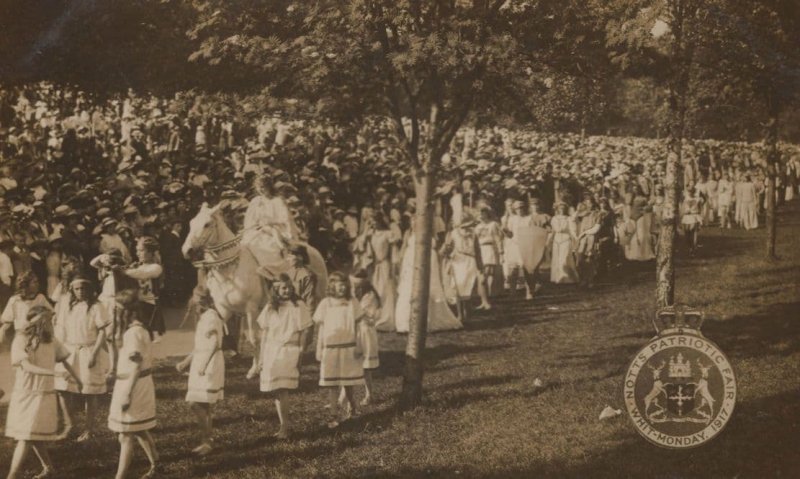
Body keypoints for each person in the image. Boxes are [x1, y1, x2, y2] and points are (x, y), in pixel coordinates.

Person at [5, 306, 81, 479]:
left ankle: (13, 476)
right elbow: (26, 366)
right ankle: (44, 470)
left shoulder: (52, 341)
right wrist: (54, 373)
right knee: (29, 434)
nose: (51, 324)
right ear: (38, 321)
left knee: (29, 435)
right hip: (25, 393)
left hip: (43, 394)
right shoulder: (21, 340)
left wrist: (78, 379)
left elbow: (64, 360)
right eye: (47, 320)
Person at [108, 287, 159, 479]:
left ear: (125, 311)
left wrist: (127, 394)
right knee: (137, 429)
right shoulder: (132, 331)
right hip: (130, 383)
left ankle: (119, 477)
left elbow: (136, 366)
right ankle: (156, 462)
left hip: (134, 385)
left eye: (116, 310)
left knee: (126, 434)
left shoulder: (134, 333)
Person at [53, 275, 110, 442]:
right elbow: (61, 328)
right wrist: (59, 351)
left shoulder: (96, 306)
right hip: (70, 350)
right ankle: (69, 425)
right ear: (72, 290)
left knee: (89, 391)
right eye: (77, 289)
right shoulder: (68, 306)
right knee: (62, 388)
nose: (80, 292)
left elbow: (102, 332)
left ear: (90, 290)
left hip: (88, 350)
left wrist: (94, 353)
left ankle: (89, 429)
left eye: (84, 288)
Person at [256, 274, 312, 439]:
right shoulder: (271, 307)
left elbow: (304, 331)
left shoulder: (298, 305)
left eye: (289, 287)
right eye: (283, 288)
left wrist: (301, 351)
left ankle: (285, 428)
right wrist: (260, 358)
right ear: (276, 289)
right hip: (271, 351)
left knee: (281, 389)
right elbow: (264, 333)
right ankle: (284, 425)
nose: (287, 291)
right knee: (276, 390)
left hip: (289, 350)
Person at [175, 287, 225, 455]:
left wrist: (203, 365)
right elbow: (199, 347)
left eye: (199, 301)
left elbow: (214, 344)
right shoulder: (204, 317)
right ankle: (207, 441)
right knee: (204, 404)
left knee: (196, 403)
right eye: (195, 301)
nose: (196, 305)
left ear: (204, 301)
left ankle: (207, 441)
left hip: (209, 364)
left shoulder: (210, 316)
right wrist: (186, 362)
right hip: (201, 362)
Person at [313, 272, 365, 428]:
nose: (341, 287)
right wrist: (319, 347)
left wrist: (359, 345)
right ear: (331, 286)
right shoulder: (325, 303)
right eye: (338, 284)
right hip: (330, 348)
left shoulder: (352, 302)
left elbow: (358, 327)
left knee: (348, 383)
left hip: (348, 346)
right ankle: (333, 415)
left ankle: (353, 407)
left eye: (344, 284)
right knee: (332, 383)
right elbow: (321, 328)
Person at [442, 217, 491, 321]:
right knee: (458, 288)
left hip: (470, 261)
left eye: (470, 225)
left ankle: (467, 313)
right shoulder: (453, 233)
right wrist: (447, 251)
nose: (469, 227)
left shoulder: (474, 234)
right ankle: (460, 315)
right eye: (466, 225)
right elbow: (447, 248)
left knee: (468, 287)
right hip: (458, 261)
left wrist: (480, 266)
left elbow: (477, 251)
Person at [123, 237, 164, 342]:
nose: (138, 253)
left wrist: (124, 272)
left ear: (151, 253)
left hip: (150, 304)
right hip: (137, 304)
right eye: (137, 250)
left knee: (149, 335)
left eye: (141, 250)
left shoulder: (156, 267)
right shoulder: (136, 266)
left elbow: (143, 274)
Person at [350, 269, 380, 406]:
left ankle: (370, 394)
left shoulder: (370, 296)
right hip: (355, 331)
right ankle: (343, 398)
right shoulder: (353, 294)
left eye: (358, 285)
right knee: (350, 364)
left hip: (365, 332)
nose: (355, 287)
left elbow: (364, 315)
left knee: (366, 367)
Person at [1, 272, 53, 342]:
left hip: (38, 337)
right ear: (25, 285)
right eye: (34, 282)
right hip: (21, 337)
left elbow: (51, 314)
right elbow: (6, 322)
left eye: (37, 281)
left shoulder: (40, 298)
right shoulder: (14, 300)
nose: (38, 284)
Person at [475, 206, 504, 295]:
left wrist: (500, 251)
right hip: (480, 249)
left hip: (490, 248)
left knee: (489, 271)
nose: (481, 215)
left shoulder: (493, 224)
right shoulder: (477, 227)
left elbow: (498, 238)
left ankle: (490, 293)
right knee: (482, 271)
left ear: (487, 214)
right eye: (479, 213)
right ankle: (486, 294)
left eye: (483, 213)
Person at [549, 202, 578, 284]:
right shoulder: (554, 219)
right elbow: (553, 230)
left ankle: (568, 278)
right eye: (560, 208)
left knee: (564, 258)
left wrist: (575, 239)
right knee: (557, 259)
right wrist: (549, 241)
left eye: (563, 208)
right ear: (557, 209)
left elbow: (572, 230)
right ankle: (558, 278)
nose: (562, 210)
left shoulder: (568, 218)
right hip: (557, 240)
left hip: (566, 239)